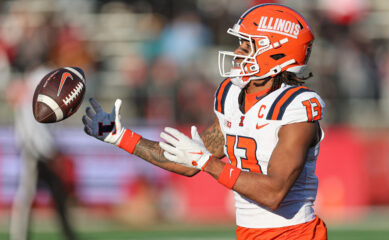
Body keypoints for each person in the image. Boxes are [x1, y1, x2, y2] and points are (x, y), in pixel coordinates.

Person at [83, 3, 327, 239]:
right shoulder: (232, 95)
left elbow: (274, 193)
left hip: (294, 234)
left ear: (276, 51)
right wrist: (120, 136)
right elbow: (189, 162)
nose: (238, 52)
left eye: (248, 45)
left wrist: (207, 163)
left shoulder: (297, 108)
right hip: (248, 233)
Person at [8, 66, 78, 240]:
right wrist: (48, 153)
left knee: (56, 196)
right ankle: (19, 235)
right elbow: (32, 133)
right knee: (26, 196)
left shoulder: (40, 103)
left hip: (41, 154)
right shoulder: (31, 103)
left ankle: (68, 234)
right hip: (35, 155)